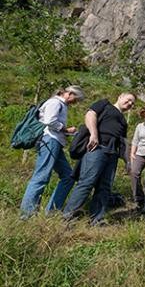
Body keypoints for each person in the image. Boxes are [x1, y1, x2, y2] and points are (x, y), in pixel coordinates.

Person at [63, 93, 136, 225]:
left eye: (133, 103)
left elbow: (124, 142)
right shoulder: (105, 104)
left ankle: (97, 219)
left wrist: (128, 162)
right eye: (129, 100)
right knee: (87, 182)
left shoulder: (124, 121)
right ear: (120, 96)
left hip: (112, 153)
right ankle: (67, 216)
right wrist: (94, 135)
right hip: (97, 148)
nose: (130, 104)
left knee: (105, 187)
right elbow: (90, 115)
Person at [20, 86, 85, 219]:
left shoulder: (60, 104)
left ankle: (52, 212)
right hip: (49, 141)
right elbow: (49, 121)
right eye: (76, 99)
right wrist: (65, 128)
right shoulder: (55, 103)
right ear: (70, 94)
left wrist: (66, 132)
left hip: (55, 142)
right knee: (42, 176)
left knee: (68, 176)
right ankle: (27, 215)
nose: (75, 103)